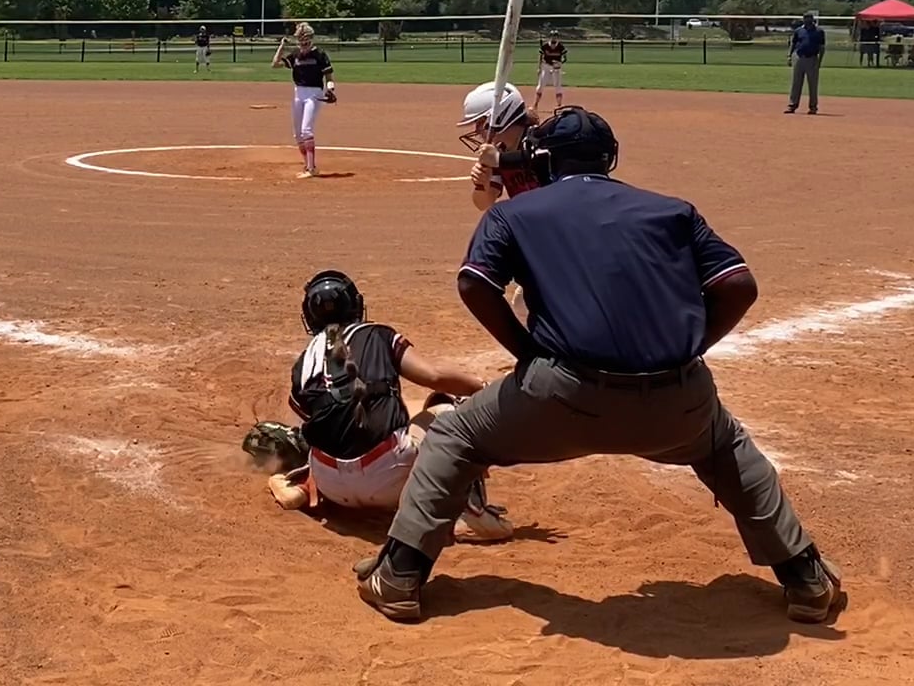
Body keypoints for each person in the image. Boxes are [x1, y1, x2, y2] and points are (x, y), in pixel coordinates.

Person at [353, 106, 839, 625]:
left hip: (561, 396)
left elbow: (475, 282)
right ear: (609, 158)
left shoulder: (516, 213)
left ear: (542, 160)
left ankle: (400, 574)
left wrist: (526, 352)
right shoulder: (673, 211)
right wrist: (691, 348)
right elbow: (739, 285)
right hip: (678, 402)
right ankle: (805, 577)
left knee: (455, 435)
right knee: (726, 446)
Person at [266, 270, 515, 544]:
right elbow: (434, 377)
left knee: (330, 430)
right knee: (450, 410)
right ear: (355, 304)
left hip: (331, 485)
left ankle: (303, 486)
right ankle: (472, 515)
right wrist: (484, 387)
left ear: (309, 316)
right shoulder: (379, 335)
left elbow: (312, 422)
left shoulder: (303, 363)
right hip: (390, 480)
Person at [455, 81, 538, 211]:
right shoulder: (498, 150)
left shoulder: (540, 139)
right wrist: (483, 184)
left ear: (500, 117)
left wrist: (500, 160)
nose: (477, 130)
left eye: (481, 122)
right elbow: (483, 204)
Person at [272, 23, 333, 178]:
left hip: (314, 93)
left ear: (311, 39)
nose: (303, 43)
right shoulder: (296, 55)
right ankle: (308, 165)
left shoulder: (319, 54)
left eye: (306, 40)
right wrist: (282, 46)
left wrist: (330, 89)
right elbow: (275, 64)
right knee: (298, 134)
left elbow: (329, 77)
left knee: (306, 130)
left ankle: (311, 169)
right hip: (298, 93)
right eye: (301, 40)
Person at [785, 11, 825, 114]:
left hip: (812, 58)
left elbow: (822, 47)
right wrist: (789, 56)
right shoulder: (799, 31)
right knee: (796, 83)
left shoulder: (819, 31)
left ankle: (813, 107)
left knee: (813, 84)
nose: (807, 20)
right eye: (805, 18)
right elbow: (793, 44)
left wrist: (819, 61)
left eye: (809, 18)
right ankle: (792, 105)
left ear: (812, 19)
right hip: (799, 58)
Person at [534, 31, 567, 109]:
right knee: (541, 85)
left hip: (556, 68)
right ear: (550, 37)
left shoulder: (561, 47)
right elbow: (540, 57)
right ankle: (535, 104)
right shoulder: (545, 46)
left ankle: (559, 105)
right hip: (546, 66)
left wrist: (559, 63)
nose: (554, 38)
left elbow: (565, 58)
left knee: (558, 86)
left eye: (555, 36)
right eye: (552, 36)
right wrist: (539, 68)